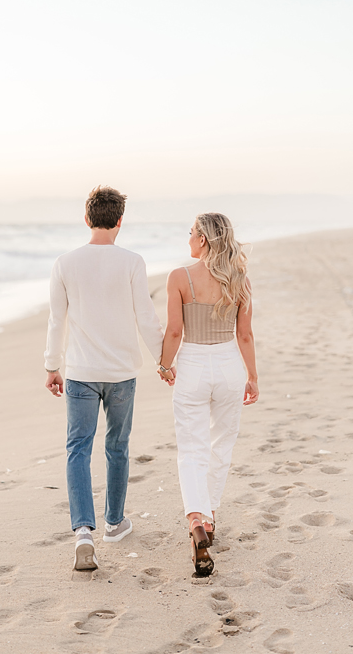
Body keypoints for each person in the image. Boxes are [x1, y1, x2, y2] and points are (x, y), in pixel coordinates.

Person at [44, 185, 168, 571]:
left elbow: (56, 320)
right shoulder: (131, 261)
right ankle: (114, 523)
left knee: (78, 448)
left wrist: (52, 365)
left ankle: (83, 531)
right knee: (117, 445)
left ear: (87, 219)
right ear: (119, 221)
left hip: (80, 373)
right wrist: (164, 361)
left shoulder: (65, 263)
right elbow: (146, 317)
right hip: (121, 373)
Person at [158, 213, 258, 576]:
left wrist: (164, 365)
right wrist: (253, 377)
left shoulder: (180, 277)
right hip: (230, 364)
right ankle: (211, 515)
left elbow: (173, 331)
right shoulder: (239, 279)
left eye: (191, 233)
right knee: (222, 441)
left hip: (193, 367)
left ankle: (196, 517)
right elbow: (245, 335)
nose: (188, 239)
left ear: (202, 239)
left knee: (191, 446)